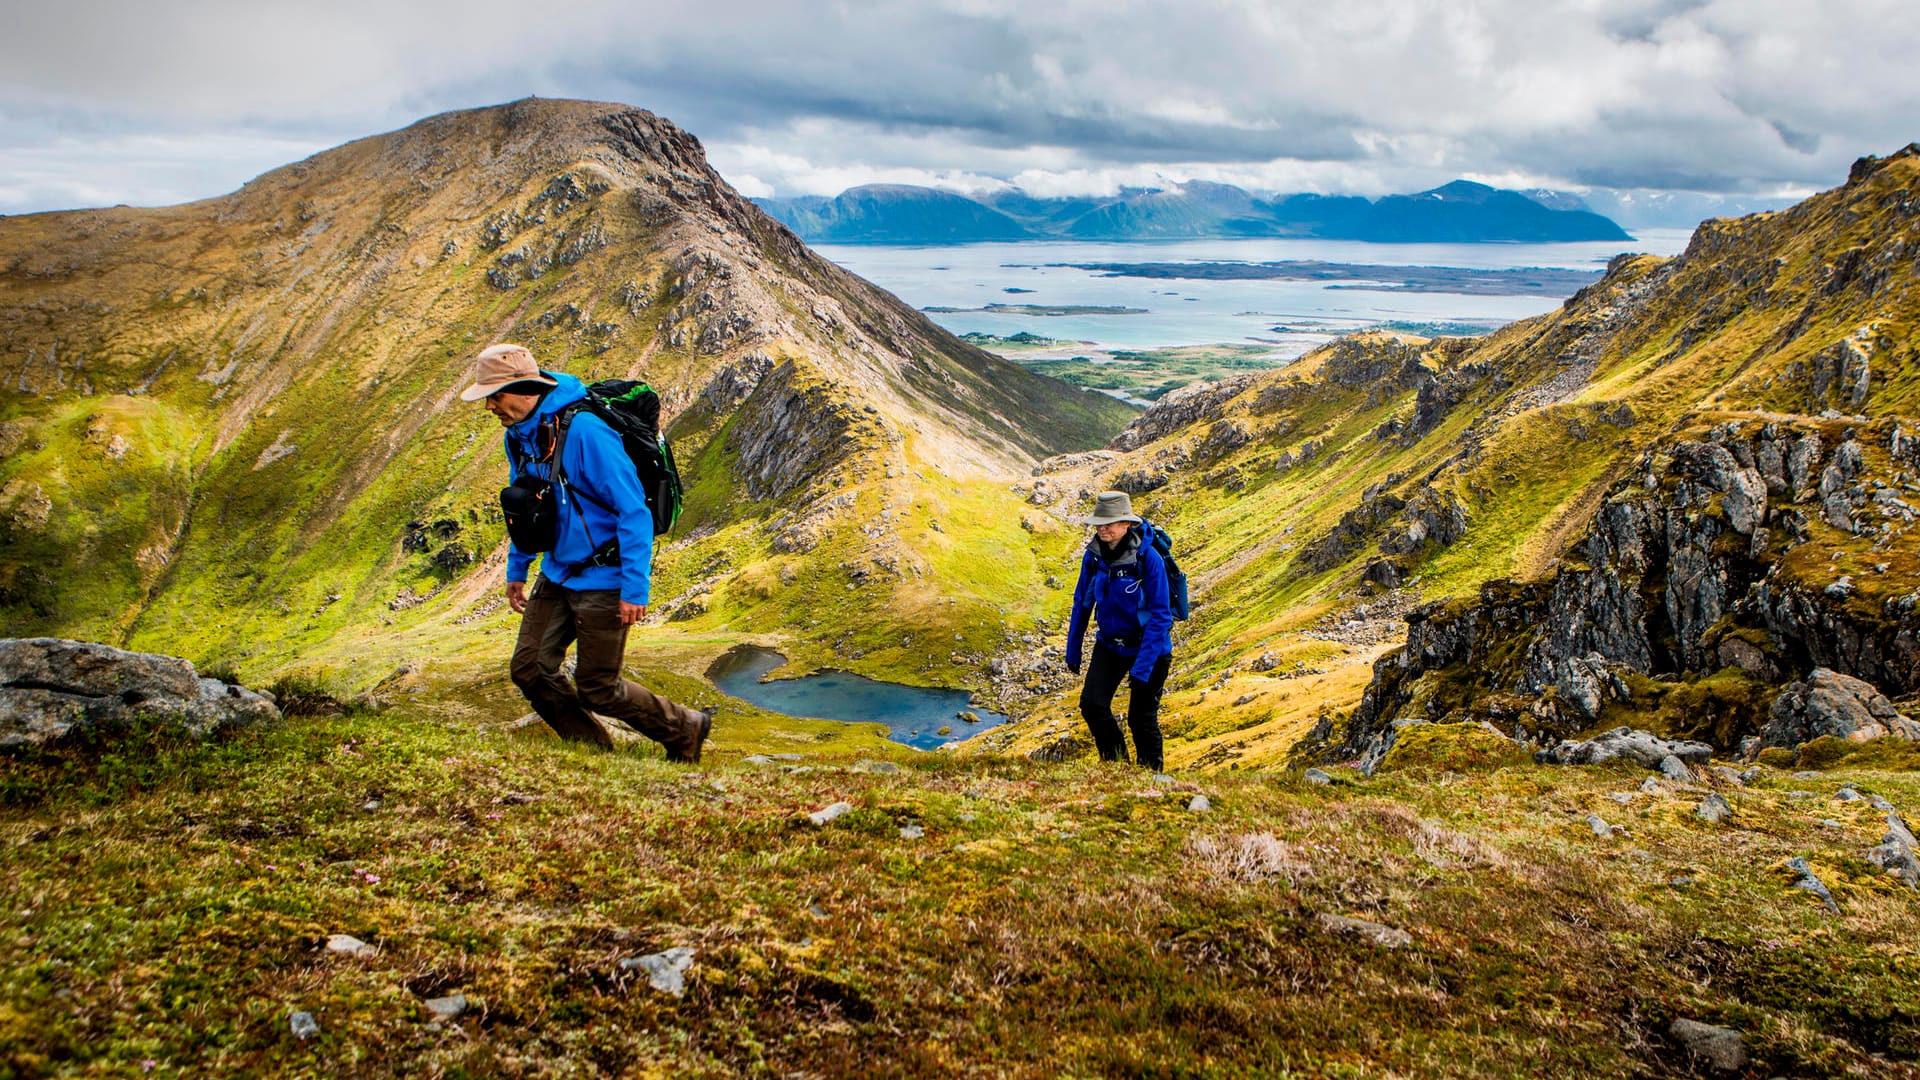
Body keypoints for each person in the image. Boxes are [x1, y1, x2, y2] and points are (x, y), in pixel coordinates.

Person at [461, 342, 712, 762]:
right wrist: (517, 569)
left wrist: (635, 588)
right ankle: (593, 755)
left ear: (524, 388)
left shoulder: (586, 432)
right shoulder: (519, 437)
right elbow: (522, 505)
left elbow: (633, 510)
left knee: (598, 688)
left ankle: (684, 727)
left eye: (495, 395)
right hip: (557, 573)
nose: (489, 406)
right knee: (529, 670)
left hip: (606, 577)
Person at [1063, 491, 1174, 771]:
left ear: (1127, 524)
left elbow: (1161, 616)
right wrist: (1073, 649)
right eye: (1099, 522)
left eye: (1110, 522)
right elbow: (1082, 602)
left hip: (1149, 648)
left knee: (1141, 718)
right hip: (1110, 645)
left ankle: (1151, 778)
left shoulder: (1148, 559)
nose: (1103, 527)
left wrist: (1142, 669)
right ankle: (1117, 768)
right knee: (1092, 704)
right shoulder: (1094, 556)